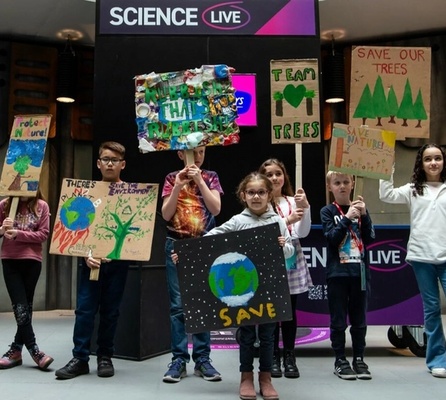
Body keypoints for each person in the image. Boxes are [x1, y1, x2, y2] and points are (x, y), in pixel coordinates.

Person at [204, 172, 294, 400]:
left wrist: (284, 245)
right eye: (251, 192)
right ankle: (246, 377)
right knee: (245, 334)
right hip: (243, 291)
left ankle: (265, 378)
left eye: (261, 192)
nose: (256, 197)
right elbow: (213, 236)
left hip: (270, 288)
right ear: (244, 195)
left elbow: (290, 251)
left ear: (269, 194)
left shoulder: (278, 221)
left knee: (268, 335)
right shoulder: (237, 221)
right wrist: (189, 251)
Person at [55, 141, 130, 379]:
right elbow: (75, 228)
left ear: (122, 164)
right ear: (98, 163)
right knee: (85, 310)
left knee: (111, 311)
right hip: (88, 261)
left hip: (117, 263)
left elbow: (137, 232)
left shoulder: (133, 194)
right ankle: (80, 358)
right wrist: (87, 254)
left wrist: (116, 251)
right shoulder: (84, 193)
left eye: (114, 160)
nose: (110, 163)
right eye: (106, 159)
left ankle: (105, 356)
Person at [379, 143, 446, 378]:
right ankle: (438, 360)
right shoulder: (413, 189)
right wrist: (386, 168)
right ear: (421, 163)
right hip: (421, 257)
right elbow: (386, 195)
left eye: (438, 158)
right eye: (428, 159)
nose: (433, 163)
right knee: (432, 310)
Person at [161, 146, 223, 383]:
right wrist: (178, 184)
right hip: (176, 245)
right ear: (180, 155)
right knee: (178, 306)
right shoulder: (170, 178)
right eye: (192, 153)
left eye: (201, 152)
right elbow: (166, 215)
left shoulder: (211, 176)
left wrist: (199, 180)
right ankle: (178, 359)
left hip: (204, 245)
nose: (197, 157)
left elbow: (216, 208)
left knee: (203, 303)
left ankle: (203, 359)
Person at [259, 158, 312, 379]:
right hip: (268, 261)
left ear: (284, 176)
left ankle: (289, 355)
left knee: (289, 312)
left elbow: (303, 232)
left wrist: (305, 208)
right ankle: (272, 356)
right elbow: (264, 233)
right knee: (271, 313)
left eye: (278, 173)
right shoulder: (260, 201)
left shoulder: (293, 200)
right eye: (269, 174)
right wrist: (288, 220)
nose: (274, 178)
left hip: (292, 259)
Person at [320, 171, 375, 380]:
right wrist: (347, 218)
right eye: (337, 183)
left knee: (360, 319)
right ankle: (340, 359)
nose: (342, 186)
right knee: (338, 319)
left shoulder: (360, 209)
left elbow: (369, 238)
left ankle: (359, 358)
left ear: (352, 184)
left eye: (345, 182)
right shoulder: (327, 211)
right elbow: (332, 239)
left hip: (360, 272)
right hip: (338, 273)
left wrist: (365, 214)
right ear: (330, 187)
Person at [0, 189, 53, 370]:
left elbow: (43, 234)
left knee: (26, 307)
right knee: (20, 306)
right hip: (10, 260)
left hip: (32, 261)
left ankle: (15, 351)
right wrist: (2, 229)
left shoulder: (41, 206)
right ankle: (35, 351)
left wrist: (18, 234)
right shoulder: (5, 205)